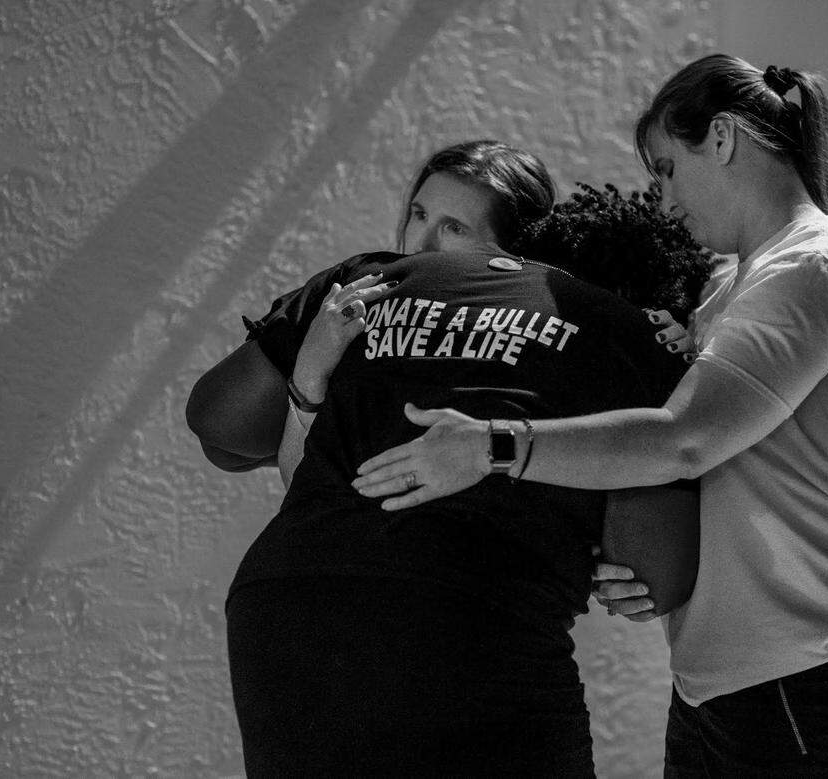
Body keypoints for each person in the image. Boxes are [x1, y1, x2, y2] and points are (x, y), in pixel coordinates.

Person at [353, 54, 828, 776]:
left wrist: (492, 446)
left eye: (665, 168)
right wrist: (642, 557)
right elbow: (718, 471)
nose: (663, 198)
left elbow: (685, 441)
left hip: (813, 678)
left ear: (721, 139)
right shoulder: (729, 282)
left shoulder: (816, 271)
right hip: (720, 685)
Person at [222, 182, 712, 775]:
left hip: (280, 602)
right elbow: (658, 571)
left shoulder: (375, 284)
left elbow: (218, 425)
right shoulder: (639, 337)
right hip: (470, 612)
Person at [185, 140, 558, 472]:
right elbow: (224, 437)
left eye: (454, 228)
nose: (423, 241)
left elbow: (229, 434)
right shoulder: (370, 285)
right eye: (420, 214)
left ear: (516, 246)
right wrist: (312, 373)